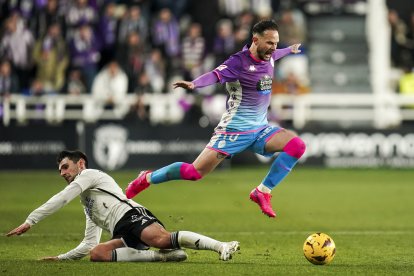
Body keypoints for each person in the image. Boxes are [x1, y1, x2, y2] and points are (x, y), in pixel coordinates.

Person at [125, 19, 306, 218]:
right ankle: (147, 178)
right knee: (194, 173)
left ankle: (262, 191)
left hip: (260, 130)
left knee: (297, 146)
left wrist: (290, 49)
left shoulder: (270, 56)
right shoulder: (238, 62)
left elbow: (277, 54)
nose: (274, 47)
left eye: (276, 43)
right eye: (270, 43)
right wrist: (194, 84)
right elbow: (214, 75)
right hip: (233, 132)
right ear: (255, 40)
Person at [6, 150, 240, 262]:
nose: (63, 173)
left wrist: (31, 220)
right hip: (122, 231)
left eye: (65, 167)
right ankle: (162, 257)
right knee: (97, 253)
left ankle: (221, 246)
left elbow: (62, 197)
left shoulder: (89, 175)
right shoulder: (88, 200)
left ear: (80, 164)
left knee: (160, 238)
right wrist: (60, 258)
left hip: (131, 215)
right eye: (60, 170)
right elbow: (89, 242)